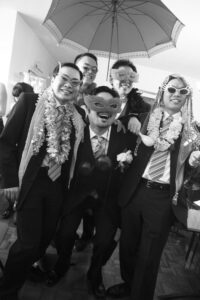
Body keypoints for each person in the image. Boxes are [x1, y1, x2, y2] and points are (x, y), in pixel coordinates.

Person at [0, 62, 85, 300]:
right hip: (30, 182)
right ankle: (7, 291)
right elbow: (6, 144)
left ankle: (21, 270)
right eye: (64, 79)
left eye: (75, 83)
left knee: (44, 240)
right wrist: (9, 181)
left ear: (79, 88)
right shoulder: (29, 102)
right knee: (27, 243)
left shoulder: (78, 116)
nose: (69, 86)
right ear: (53, 78)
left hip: (57, 187)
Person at [107, 74, 194, 300]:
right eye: (172, 90)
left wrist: (196, 162)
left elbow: (194, 171)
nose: (177, 95)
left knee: (150, 254)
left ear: (187, 98)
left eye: (182, 92)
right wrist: (126, 122)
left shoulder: (192, 133)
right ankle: (128, 284)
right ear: (162, 92)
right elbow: (120, 128)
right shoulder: (143, 119)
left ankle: (140, 295)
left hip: (163, 198)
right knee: (127, 245)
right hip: (135, 191)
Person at [46, 86, 136, 298]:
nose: (104, 110)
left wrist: (133, 118)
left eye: (111, 106)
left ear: (116, 111)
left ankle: (94, 275)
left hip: (107, 199)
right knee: (65, 233)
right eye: (98, 104)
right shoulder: (75, 131)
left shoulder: (126, 138)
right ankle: (62, 264)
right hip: (77, 195)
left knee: (104, 241)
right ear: (88, 106)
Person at [74, 52, 98, 251]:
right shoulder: (66, 92)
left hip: (90, 161)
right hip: (66, 162)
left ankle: (86, 237)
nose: (90, 72)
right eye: (86, 67)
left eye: (94, 69)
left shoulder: (97, 95)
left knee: (89, 208)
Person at [1, 82, 34, 219]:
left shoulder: (30, 106)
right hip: (10, 155)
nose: (16, 100)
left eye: (17, 97)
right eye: (14, 98)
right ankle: (9, 207)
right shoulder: (16, 108)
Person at [110, 59, 150, 132]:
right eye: (121, 75)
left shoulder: (144, 108)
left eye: (131, 76)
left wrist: (133, 117)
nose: (127, 80)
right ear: (111, 79)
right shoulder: (99, 98)